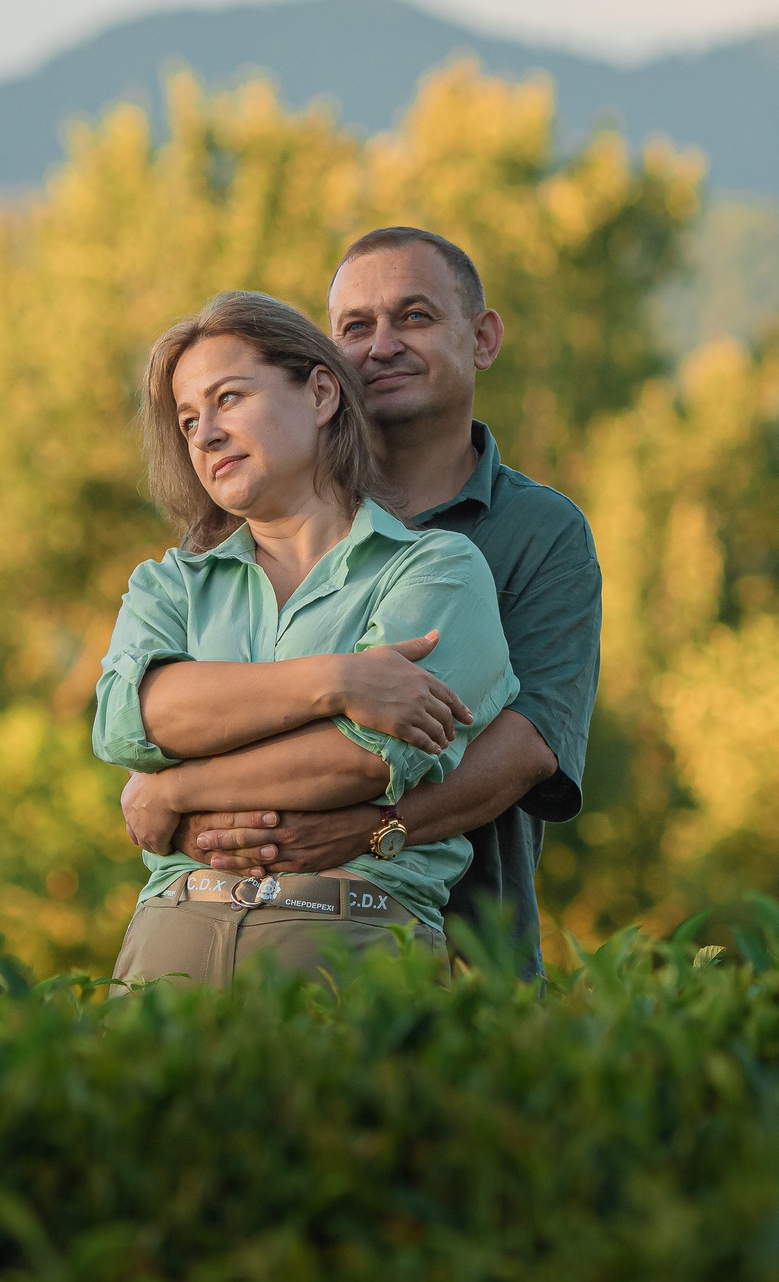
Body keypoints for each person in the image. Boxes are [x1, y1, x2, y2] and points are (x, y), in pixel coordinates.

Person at [154, 228, 602, 981]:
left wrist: (369, 830)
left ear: (482, 338)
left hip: (468, 946)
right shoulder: (260, 522)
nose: (381, 345)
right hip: (228, 936)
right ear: (327, 365)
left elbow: (531, 747)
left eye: (415, 317)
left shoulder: (540, 531)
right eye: (355, 327)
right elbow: (160, 712)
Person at [94, 289, 520, 985]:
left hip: (352, 941)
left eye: (229, 398)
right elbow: (131, 716)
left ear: (321, 392)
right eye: (189, 417)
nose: (203, 434)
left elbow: (363, 761)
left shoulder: (437, 571)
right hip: (169, 936)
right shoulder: (168, 585)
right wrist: (342, 681)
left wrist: (172, 791)